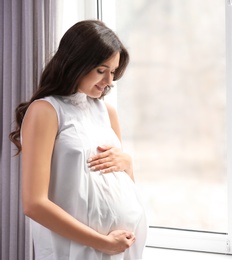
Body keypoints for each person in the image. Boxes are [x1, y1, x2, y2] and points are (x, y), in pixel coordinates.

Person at [9, 20, 147, 260]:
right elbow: (34, 204)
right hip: (76, 248)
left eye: (113, 72)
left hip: (121, 249)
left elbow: (121, 185)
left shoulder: (106, 112)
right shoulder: (46, 111)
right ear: (76, 63)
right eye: (101, 70)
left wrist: (127, 164)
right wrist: (103, 242)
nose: (108, 81)